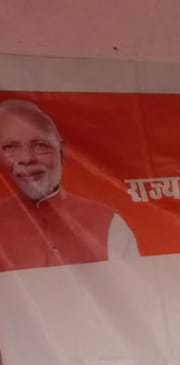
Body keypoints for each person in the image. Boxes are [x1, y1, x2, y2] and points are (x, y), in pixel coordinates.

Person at [0, 99, 138, 272]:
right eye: (10, 147)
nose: (26, 159)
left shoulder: (109, 223)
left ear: (61, 151)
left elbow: (134, 287)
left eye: (40, 145)